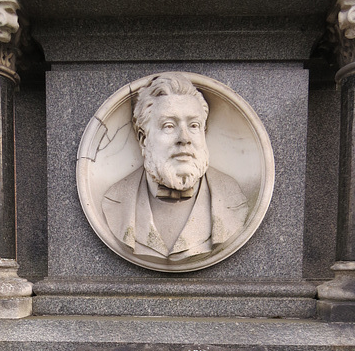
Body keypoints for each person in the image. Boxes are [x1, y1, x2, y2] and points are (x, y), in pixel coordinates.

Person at [102, 72, 248, 262]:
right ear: (143, 138)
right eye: (169, 126)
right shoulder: (115, 201)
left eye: (194, 125)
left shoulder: (233, 199)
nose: (184, 139)